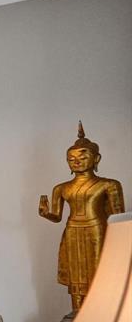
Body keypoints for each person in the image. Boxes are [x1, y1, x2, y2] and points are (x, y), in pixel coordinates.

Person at [39, 122, 125, 310]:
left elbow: (118, 220)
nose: (76, 161)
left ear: (97, 158)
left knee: (99, 275)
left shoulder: (109, 185)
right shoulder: (61, 188)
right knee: (76, 277)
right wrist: (46, 214)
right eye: (71, 158)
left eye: (83, 156)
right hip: (72, 232)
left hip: (98, 231)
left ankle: (99, 313)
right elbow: (57, 216)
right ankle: (77, 315)